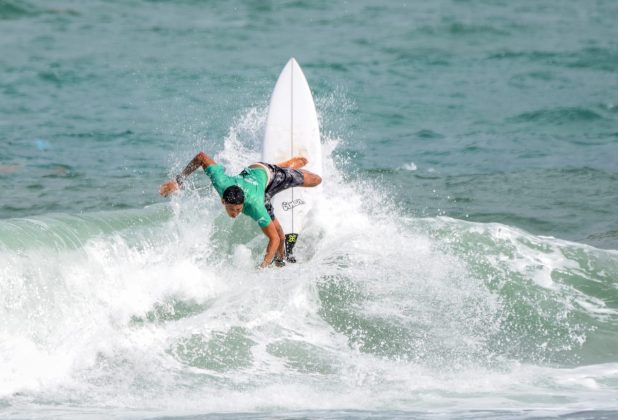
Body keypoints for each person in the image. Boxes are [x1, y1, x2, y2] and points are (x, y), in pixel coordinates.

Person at [160, 151, 322, 268]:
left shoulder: (255, 206)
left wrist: (263, 267)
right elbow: (201, 157)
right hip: (253, 175)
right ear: (223, 200)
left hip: (268, 176)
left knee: (315, 180)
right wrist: (178, 181)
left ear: (243, 204)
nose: (235, 213)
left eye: (238, 210)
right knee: (279, 231)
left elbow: (274, 240)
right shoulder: (221, 183)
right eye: (232, 210)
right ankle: (280, 261)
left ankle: (287, 167)